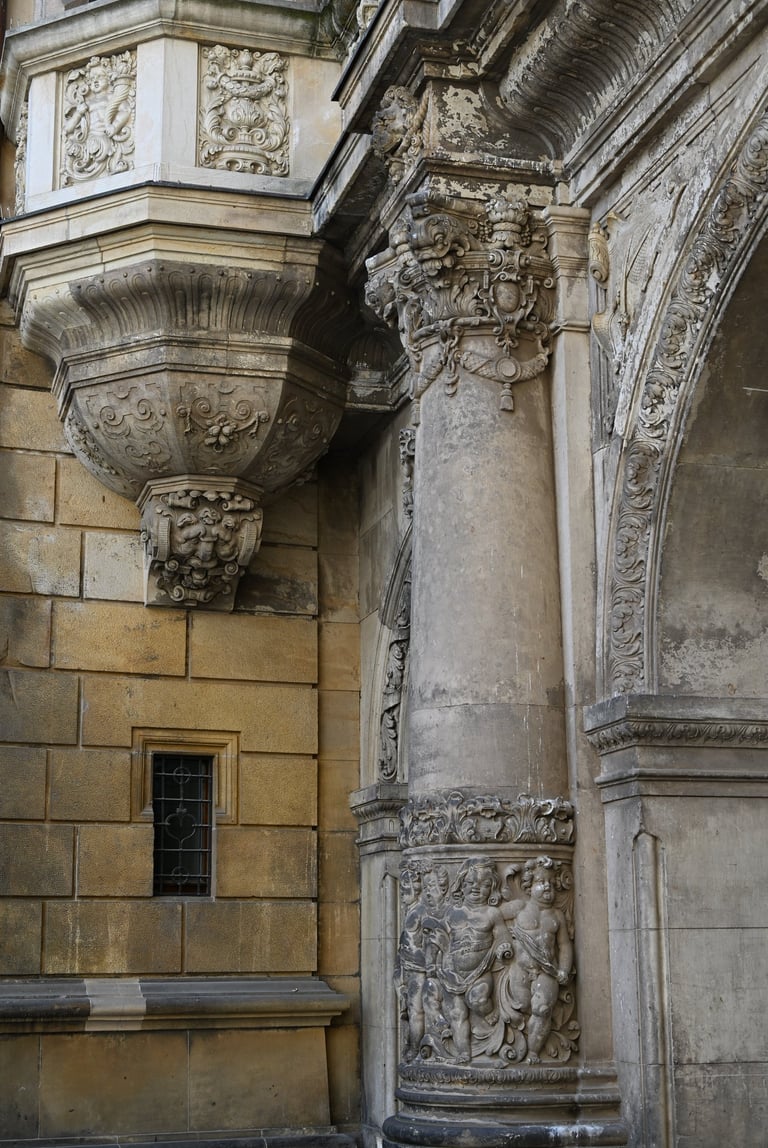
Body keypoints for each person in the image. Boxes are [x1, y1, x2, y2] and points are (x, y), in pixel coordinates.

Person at [500, 856, 573, 1062]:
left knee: (542, 1009)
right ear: (529, 885)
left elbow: (564, 945)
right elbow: (493, 918)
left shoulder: (556, 916)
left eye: (551, 882)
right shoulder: (519, 908)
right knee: (522, 1006)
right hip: (520, 970)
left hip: (547, 971)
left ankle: (533, 1052)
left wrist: (564, 970)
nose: (547, 887)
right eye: (541, 882)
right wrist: (504, 941)